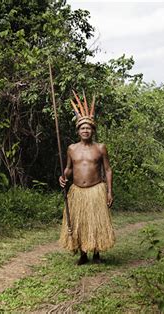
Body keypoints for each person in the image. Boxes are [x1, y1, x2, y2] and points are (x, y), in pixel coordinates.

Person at [58, 92, 115, 265]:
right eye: (82, 128)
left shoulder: (100, 148)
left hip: (96, 189)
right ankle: (83, 254)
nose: (85, 130)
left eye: (88, 128)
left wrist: (109, 192)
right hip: (77, 191)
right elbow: (68, 169)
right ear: (78, 131)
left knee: (96, 222)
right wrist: (63, 177)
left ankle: (96, 254)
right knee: (80, 222)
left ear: (93, 130)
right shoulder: (72, 149)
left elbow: (108, 170)